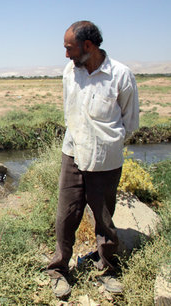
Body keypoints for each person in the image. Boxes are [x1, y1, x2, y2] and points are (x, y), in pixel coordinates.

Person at [47, 21, 139, 299]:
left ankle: (107, 268)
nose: (66, 55)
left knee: (104, 219)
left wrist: (106, 142)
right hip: (73, 153)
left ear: (88, 46)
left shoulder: (121, 75)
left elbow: (130, 122)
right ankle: (58, 270)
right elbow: (69, 112)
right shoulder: (69, 72)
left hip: (105, 159)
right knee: (65, 216)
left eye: (69, 48)